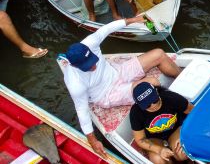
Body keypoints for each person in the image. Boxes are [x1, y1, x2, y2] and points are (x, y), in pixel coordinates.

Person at [63, 16, 181, 158]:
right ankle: (153, 89)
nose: (94, 66)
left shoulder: (90, 42)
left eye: (93, 61)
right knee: (152, 83)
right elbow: (81, 110)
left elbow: (107, 28)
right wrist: (92, 140)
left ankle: (183, 81)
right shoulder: (74, 83)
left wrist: (134, 19)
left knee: (159, 54)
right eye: (88, 67)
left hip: (117, 71)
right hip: (107, 93)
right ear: (74, 66)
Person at [129, 82, 193, 164]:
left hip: (175, 130)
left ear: (157, 92)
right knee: (157, 159)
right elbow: (140, 139)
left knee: (182, 152)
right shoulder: (136, 112)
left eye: (154, 100)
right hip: (154, 139)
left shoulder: (170, 98)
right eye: (147, 105)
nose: (153, 105)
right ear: (139, 105)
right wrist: (159, 150)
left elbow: (193, 112)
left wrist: (185, 132)